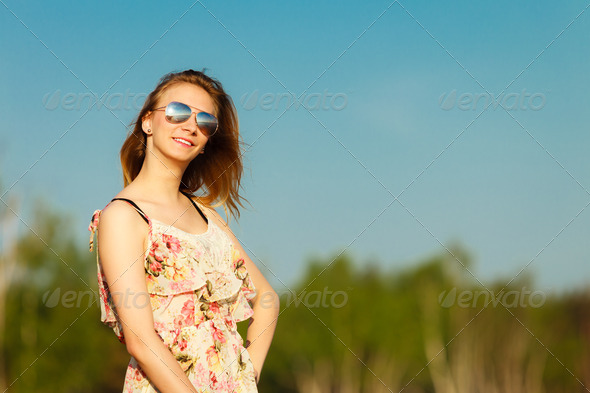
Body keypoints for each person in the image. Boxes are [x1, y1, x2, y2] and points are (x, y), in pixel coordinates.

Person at [87, 69, 280, 392]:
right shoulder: (123, 216)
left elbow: (267, 300)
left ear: (206, 142)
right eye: (177, 112)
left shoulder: (208, 217)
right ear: (147, 122)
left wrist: (247, 377)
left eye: (205, 122)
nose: (191, 125)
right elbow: (141, 341)